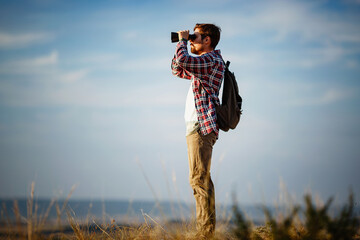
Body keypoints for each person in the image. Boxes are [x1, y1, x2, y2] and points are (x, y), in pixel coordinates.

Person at [171, 23, 224, 238]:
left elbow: (183, 60)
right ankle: (206, 231)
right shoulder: (202, 64)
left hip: (201, 126)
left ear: (207, 40)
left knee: (198, 180)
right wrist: (184, 44)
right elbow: (177, 69)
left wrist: (183, 42)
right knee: (201, 179)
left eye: (196, 37)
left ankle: (205, 233)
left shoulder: (211, 59)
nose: (192, 40)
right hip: (196, 126)